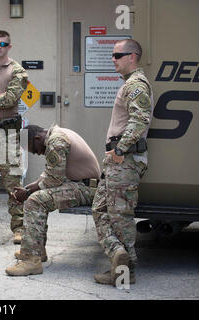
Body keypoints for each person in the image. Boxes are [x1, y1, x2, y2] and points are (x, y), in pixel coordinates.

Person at [92, 39, 153, 287]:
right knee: (100, 209)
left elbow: (140, 120)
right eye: (113, 55)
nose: (113, 59)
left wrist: (119, 149)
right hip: (117, 161)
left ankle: (126, 272)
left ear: (132, 57)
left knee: (120, 216)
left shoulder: (136, 85)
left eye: (118, 55)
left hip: (124, 160)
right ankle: (118, 255)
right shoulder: (129, 84)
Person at [5, 124, 100, 276]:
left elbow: (53, 180)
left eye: (34, 150)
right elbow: (50, 174)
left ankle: (31, 260)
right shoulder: (56, 134)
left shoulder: (56, 141)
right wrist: (30, 186)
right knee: (38, 197)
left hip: (87, 189)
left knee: (35, 200)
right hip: (80, 185)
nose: (37, 153)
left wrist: (28, 193)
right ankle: (37, 250)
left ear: (37, 138)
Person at [0, 30, 28, 244]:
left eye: (3, 43)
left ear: (10, 46)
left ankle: (19, 227)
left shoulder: (17, 70)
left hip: (7, 132)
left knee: (12, 180)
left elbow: (11, 99)